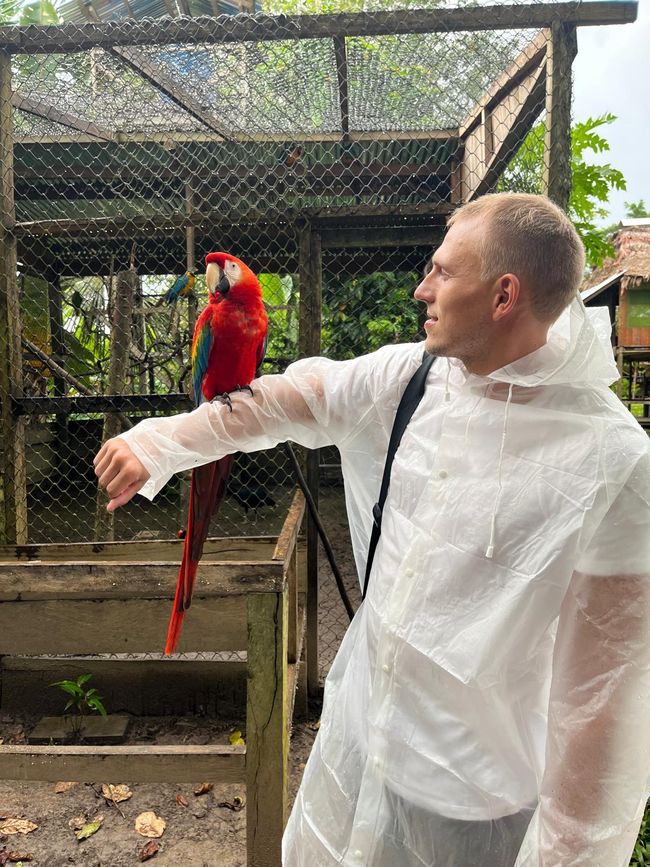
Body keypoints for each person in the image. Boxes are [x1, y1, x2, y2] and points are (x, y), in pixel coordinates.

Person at [94, 193, 650, 867]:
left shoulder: (612, 460)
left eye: (443, 272)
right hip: (363, 747)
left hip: (478, 805)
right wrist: (160, 443)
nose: (423, 288)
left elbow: (603, 706)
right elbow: (286, 398)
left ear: (505, 294)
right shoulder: (413, 376)